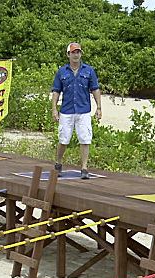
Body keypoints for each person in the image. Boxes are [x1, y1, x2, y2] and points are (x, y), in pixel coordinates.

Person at [51, 42, 102, 180]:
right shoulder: (62, 71)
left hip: (83, 110)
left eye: (78, 52)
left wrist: (99, 107)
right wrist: (54, 109)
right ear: (68, 54)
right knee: (63, 139)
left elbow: (95, 88)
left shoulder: (89, 70)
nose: (76, 55)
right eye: (73, 52)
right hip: (66, 110)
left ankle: (84, 168)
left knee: (85, 139)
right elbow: (56, 91)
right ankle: (58, 163)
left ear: (81, 54)